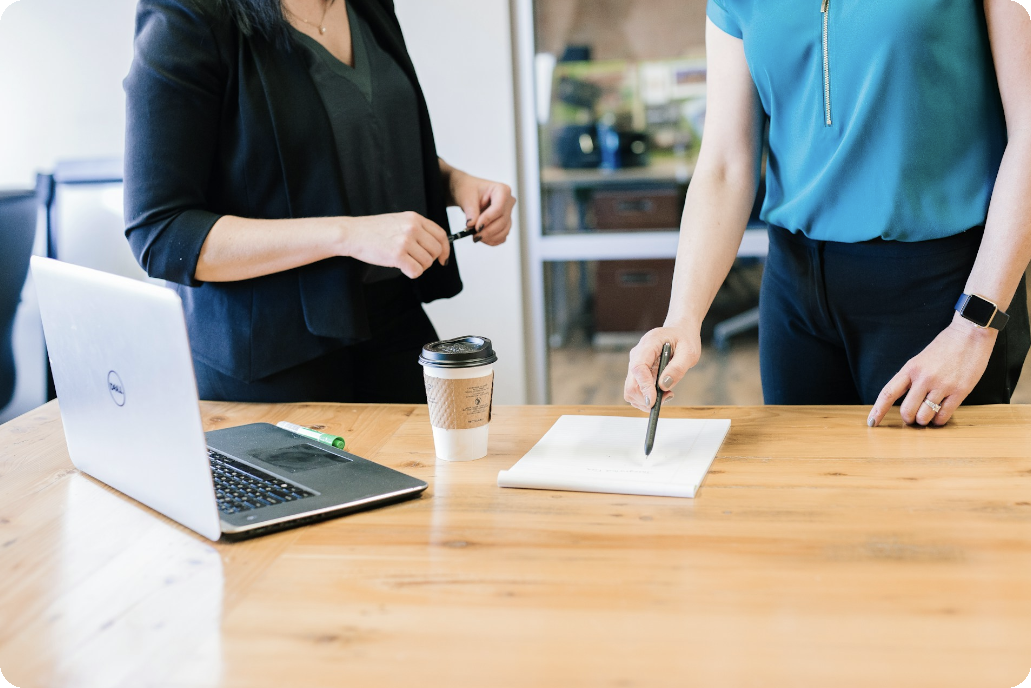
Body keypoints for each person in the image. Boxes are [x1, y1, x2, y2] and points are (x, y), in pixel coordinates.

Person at [625, 0, 1031, 428]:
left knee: (928, 492)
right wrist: (682, 319)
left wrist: (975, 326)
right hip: (794, 292)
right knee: (803, 489)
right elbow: (726, 164)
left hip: (942, 288)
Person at [123, 0, 516, 403]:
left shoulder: (366, 6)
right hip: (273, 356)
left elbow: (343, 144)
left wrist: (454, 183)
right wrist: (347, 234)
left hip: (392, 321)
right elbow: (162, 232)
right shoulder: (187, 16)